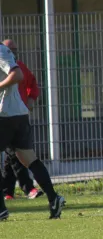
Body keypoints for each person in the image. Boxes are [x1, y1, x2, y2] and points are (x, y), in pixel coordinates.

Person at [0, 43, 65, 220]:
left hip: (4, 114)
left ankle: (1, 209)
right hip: (17, 114)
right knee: (28, 159)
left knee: (26, 160)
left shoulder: (0, 51)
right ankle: (54, 199)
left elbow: (17, 74)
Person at [1, 39, 44, 200]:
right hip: (6, 116)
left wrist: (31, 100)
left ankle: (10, 192)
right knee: (14, 156)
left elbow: (32, 83)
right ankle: (25, 189)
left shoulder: (19, 67)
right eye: (10, 49)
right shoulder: (5, 64)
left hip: (16, 116)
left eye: (15, 49)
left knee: (14, 156)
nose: (13, 52)